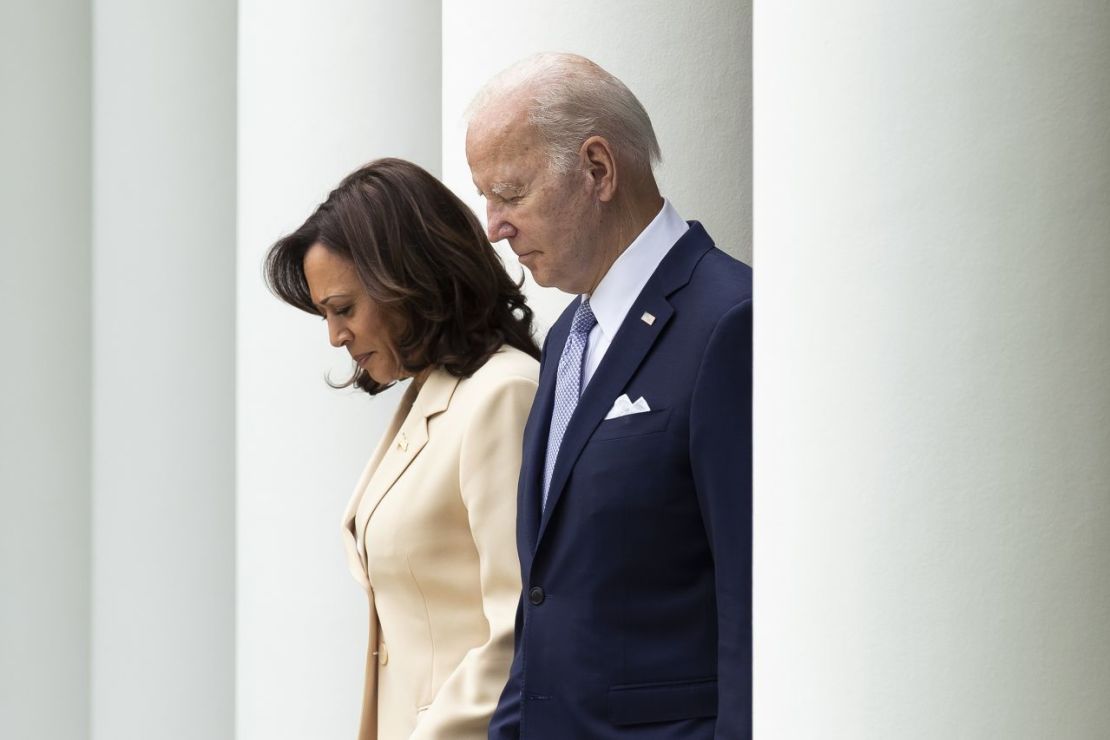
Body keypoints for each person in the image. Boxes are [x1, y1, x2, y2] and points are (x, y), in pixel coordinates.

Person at [466, 53, 753, 738]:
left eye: (510, 193)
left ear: (597, 170)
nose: (493, 226)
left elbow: (750, 604)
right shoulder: (567, 335)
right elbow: (543, 603)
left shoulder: (730, 320)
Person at [265, 158, 540, 740]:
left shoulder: (501, 394)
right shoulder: (433, 393)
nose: (336, 336)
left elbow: (520, 624)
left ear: (409, 279)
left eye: (343, 309)